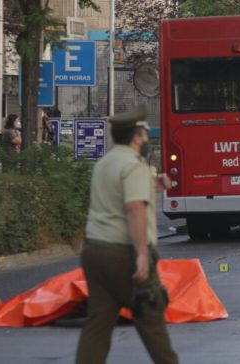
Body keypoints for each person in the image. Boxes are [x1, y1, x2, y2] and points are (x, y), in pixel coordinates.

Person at [76, 104, 178, 364]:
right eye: (144, 133)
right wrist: (142, 255)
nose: (145, 139)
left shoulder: (105, 163)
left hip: (94, 251)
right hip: (123, 254)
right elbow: (134, 208)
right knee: (151, 318)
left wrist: (152, 186)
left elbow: (115, 197)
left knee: (98, 323)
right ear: (136, 136)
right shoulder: (134, 166)